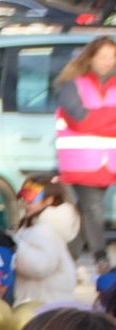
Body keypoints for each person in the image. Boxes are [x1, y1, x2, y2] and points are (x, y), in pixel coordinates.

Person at [53, 36, 116, 263]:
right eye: (103, 56)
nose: (108, 61)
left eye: (112, 56)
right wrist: (111, 117)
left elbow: (89, 119)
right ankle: (101, 257)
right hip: (80, 162)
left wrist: (97, 118)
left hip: (107, 163)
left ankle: (64, 259)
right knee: (93, 208)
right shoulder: (73, 85)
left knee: (86, 211)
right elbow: (80, 120)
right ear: (90, 58)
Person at [14, 178, 80, 305]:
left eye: (31, 199)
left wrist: (15, 246)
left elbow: (40, 266)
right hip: (41, 300)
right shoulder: (36, 226)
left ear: (49, 200)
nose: (25, 204)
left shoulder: (45, 231)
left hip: (44, 304)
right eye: (23, 198)